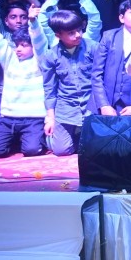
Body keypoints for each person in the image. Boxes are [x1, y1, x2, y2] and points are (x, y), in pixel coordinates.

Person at [0, 11, 45, 157]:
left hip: (33, 119)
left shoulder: (40, 62)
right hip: (8, 119)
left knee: (31, 150)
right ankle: (1, 135)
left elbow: (39, 42)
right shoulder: (9, 59)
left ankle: (28, 139)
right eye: (17, 45)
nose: (18, 49)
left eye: (24, 45)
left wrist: (33, 22)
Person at [40, 9, 99, 155]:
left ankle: (82, 134)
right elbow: (49, 89)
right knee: (61, 150)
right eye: (71, 33)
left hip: (91, 104)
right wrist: (50, 118)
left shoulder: (93, 47)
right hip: (66, 107)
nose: (78, 35)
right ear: (58, 35)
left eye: (79, 30)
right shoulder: (50, 55)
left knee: (96, 149)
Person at [92, 1, 131, 116]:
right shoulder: (109, 37)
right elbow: (97, 73)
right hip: (107, 104)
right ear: (121, 18)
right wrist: (103, 104)